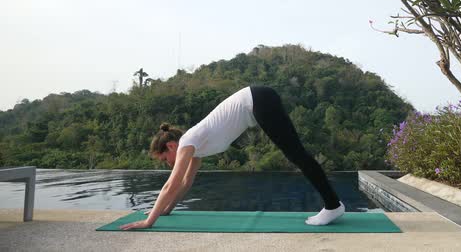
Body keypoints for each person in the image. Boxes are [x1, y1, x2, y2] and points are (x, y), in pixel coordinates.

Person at [120, 86, 345, 230]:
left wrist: (150, 221)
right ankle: (333, 204)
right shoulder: (196, 148)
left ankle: (333, 205)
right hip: (260, 100)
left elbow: (172, 184)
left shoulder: (187, 142)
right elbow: (186, 182)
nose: (168, 163)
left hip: (257, 100)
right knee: (297, 154)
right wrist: (167, 210)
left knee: (296, 154)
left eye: (164, 158)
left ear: (171, 146)